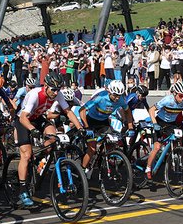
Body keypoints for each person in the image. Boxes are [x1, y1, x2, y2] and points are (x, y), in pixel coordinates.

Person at [14, 73, 83, 208]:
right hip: (23, 120)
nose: (55, 92)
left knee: (53, 138)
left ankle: (40, 158)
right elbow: (23, 117)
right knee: (26, 155)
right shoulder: (35, 94)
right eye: (53, 89)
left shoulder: (58, 94)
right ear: (45, 86)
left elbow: (68, 112)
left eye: (58, 89)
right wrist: (32, 130)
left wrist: (80, 127)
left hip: (38, 118)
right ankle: (22, 190)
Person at [145, 81, 183, 179]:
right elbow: (151, 110)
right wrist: (154, 123)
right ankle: (148, 168)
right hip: (160, 122)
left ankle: (172, 156)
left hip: (171, 124)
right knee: (157, 147)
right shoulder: (167, 100)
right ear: (175, 94)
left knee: (178, 138)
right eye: (180, 96)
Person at [79, 80, 134, 171]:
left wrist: (130, 127)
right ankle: (82, 172)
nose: (117, 98)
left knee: (113, 143)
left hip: (104, 122)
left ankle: (99, 158)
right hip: (91, 122)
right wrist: (86, 126)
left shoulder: (121, 100)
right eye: (115, 95)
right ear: (110, 92)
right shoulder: (101, 97)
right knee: (92, 148)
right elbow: (82, 110)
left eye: (119, 95)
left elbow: (127, 111)